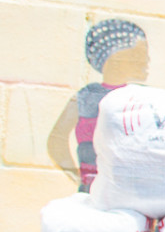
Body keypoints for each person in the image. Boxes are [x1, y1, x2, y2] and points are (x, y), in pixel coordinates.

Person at [46, 18, 149, 191]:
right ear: (115, 57)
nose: (147, 61)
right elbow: (56, 141)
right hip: (94, 195)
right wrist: (78, 176)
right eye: (138, 55)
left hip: (132, 194)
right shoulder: (87, 96)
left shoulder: (145, 96)